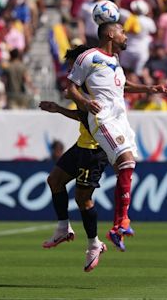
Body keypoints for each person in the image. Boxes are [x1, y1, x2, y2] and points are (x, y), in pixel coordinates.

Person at [67, 22, 167, 251]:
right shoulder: (89, 57)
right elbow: (70, 87)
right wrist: (84, 102)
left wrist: (148, 89)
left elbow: (122, 87)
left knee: (128, 163)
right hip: (102, 118)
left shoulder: (114, 61)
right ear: (111, 34)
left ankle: (119, 224)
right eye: (123, 31)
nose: (126, 35)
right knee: (125, 161)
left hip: (121, 118)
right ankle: (120, 222)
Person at [40, 45, 108, 272]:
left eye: (72, 66)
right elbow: (83, 116)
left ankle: (94, 244)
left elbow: (89, 114)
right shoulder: (82, 86)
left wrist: (64, 106)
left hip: (95, 149)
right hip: (82, 145)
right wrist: (59, 108)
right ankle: (63, 228)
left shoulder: (95, 85)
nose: (71, 71)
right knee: (54, 181)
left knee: (83, 199)